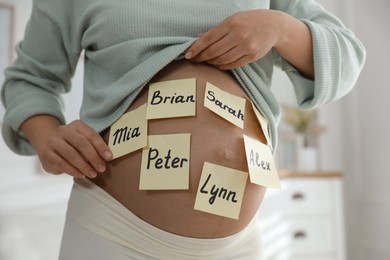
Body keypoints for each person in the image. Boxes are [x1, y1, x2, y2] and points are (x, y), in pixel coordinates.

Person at [1, 0, 365, 259]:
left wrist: (282, 28)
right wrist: (46, 134)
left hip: (237, 243)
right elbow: (29, 80)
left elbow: (348, 57)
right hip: (113, 229)